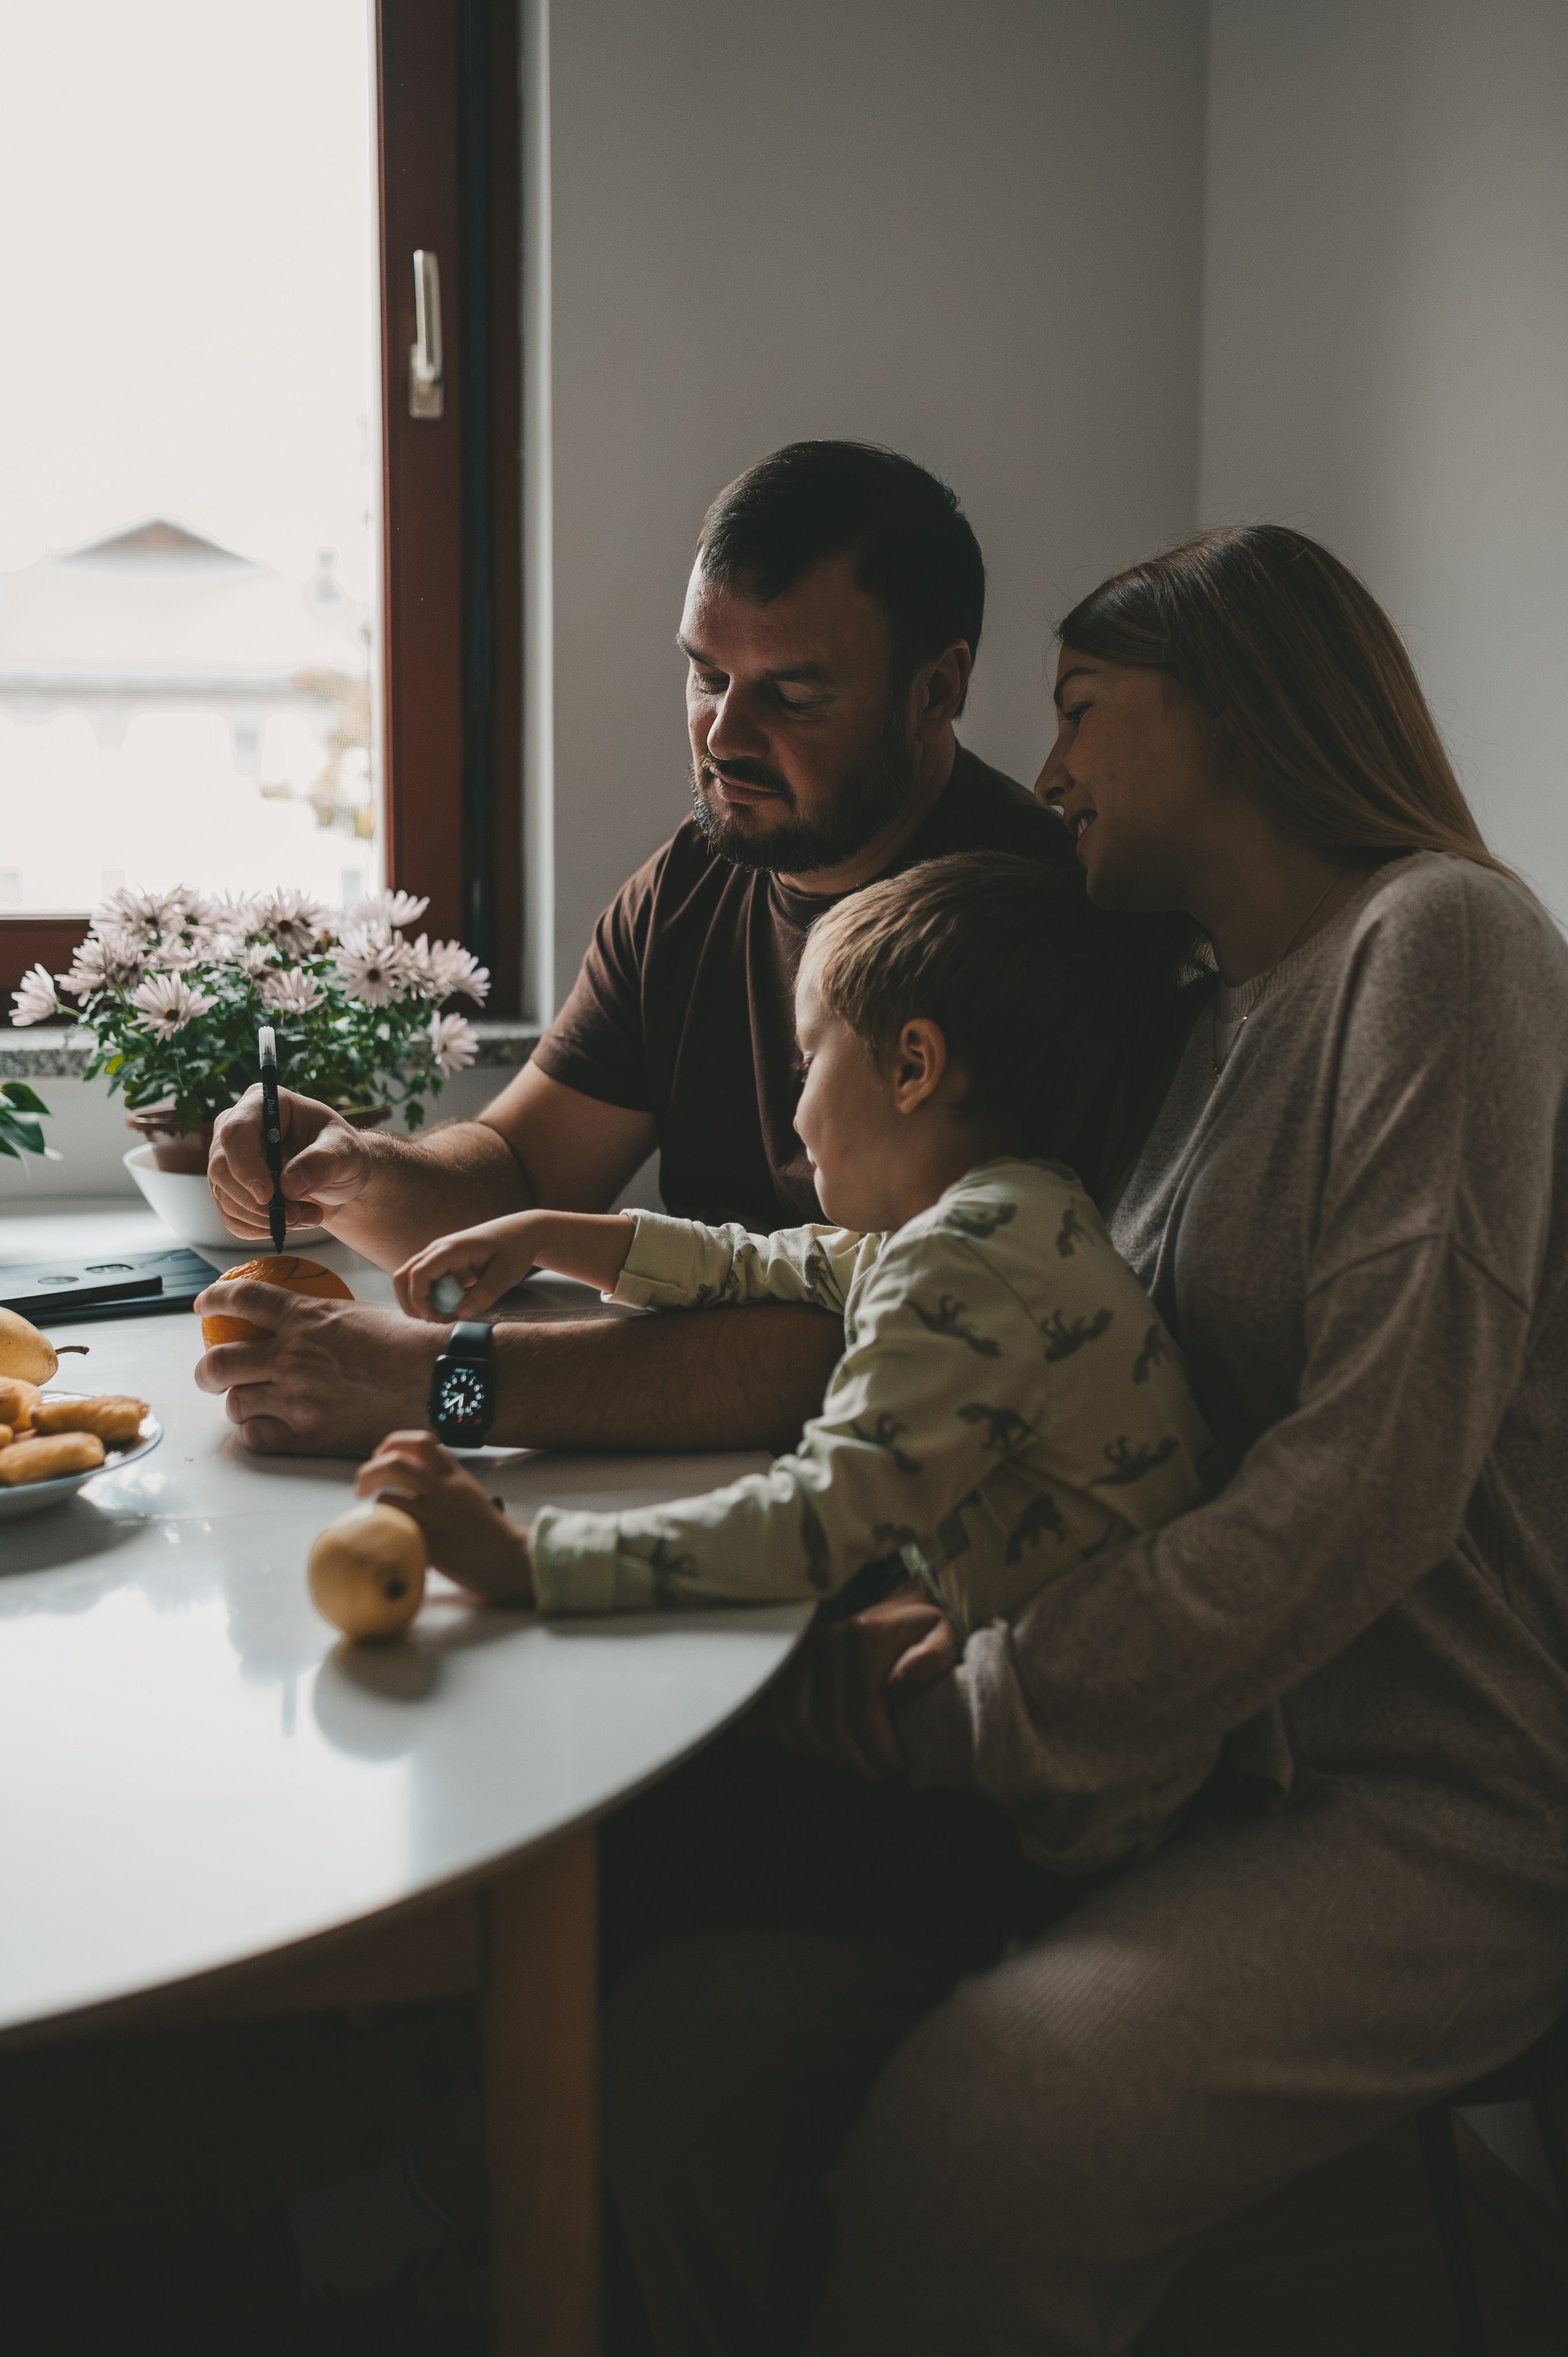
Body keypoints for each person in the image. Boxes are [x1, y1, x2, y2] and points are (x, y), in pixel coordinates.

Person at [597, 526, 1568, 2355]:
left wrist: (990, 1687)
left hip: (1404, 1795)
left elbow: (1365, 1480)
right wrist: (454, 1340)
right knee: (674, 2055)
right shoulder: (1185, 1015)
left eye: (1082, 714)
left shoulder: (1437, 947)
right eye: (706, 680)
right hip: (1157, 1746)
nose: (1042, 777)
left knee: (987, 2121)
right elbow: (968, 1330)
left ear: (1241, 710)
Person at [195, 441, 1078, 1461]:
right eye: (706, 676)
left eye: (792, 697)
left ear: (937, 691)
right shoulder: (694, 883)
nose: (723, 739)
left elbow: (888, 1331)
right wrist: (352, 1170)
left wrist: (440, 1385)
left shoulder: (1028, 922)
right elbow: (525, 1169)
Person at [356, 852, 1221, 1875]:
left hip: (1073, 1815)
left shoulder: (961, 1261)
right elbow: (760, 1263)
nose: (793, 1107)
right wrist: (545, 1233)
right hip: (1096, 1745)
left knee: (620, 1805)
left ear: (913, 1066)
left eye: (809, 1062)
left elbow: (813, 1524)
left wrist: (528, 1564)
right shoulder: (1024, 1212)